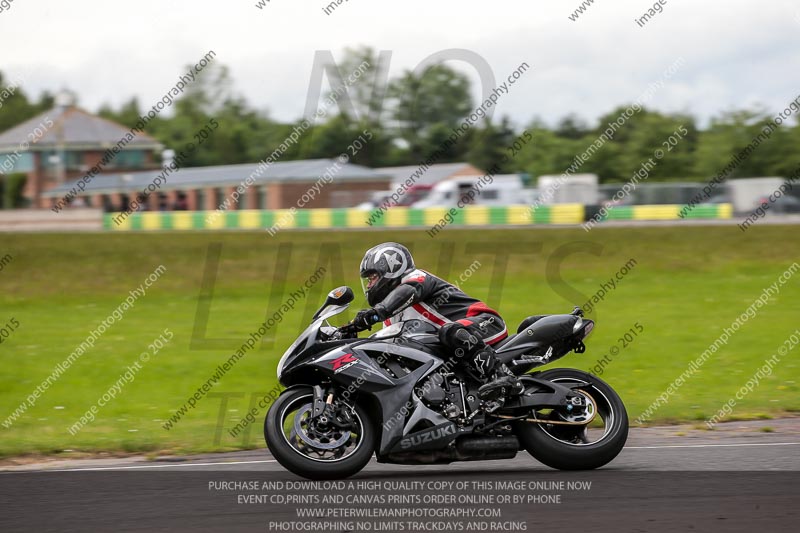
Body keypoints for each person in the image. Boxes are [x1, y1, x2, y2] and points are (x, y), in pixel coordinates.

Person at [351, 242, 524, 401]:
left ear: (391, 268)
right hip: (455, 348)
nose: (368, 285)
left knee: (451, 331)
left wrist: (374, 314)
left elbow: (408, 291)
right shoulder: (391, 319)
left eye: (372, 277)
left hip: (485, 323)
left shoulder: (415, 278)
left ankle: (503, 376)